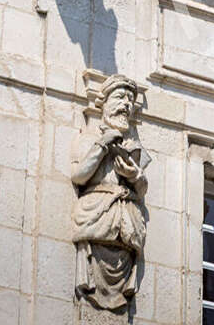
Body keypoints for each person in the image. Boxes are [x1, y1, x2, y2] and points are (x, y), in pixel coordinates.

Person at [70, 74, 150, 310]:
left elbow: (142, 188)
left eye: (130, 100)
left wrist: (135, 176)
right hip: (96, 216)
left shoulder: (134, 147)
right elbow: (79, 175)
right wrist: (103, 145)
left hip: (125, 223)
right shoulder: (88, 140)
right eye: (119, 98)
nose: (126, 104)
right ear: (103, 103)